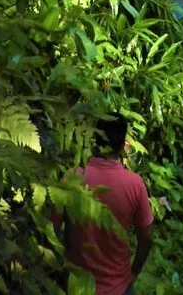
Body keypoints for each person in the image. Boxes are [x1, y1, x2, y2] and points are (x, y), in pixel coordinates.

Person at [62, 116, 154, 295]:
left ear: (94, 139)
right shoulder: (134, 184)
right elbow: (147, 236)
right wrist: (135, 271)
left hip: (75, 285)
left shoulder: (71, 178)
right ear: (123, 146)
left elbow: (51, 226)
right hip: (119, 287)